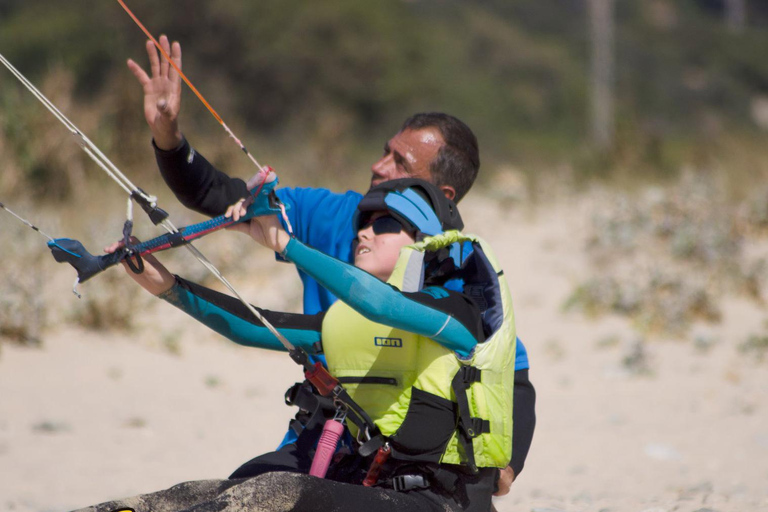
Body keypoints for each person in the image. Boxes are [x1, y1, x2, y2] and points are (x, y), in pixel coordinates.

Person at [127, 35, 535, 493]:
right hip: (324, 435)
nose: (378, 167)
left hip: (410, 452)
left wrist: (506, 465)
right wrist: (168, 137)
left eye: (399, 162)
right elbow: (219, 199)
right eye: (384, 150)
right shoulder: (336, 215)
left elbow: (512, 375)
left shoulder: (459, 279)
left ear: (442, 199)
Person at [82, 178, 515, 512]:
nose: (364, 232)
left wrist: (286, 244)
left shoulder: (458, 312)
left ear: (425, 243)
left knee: (276, 492)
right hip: (367, 491)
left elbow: (381, 302)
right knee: (190, 494)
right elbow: (254, 327)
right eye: (361, 223)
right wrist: (168, 286)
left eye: (384, 224)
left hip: (439, 503)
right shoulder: (351, 321)